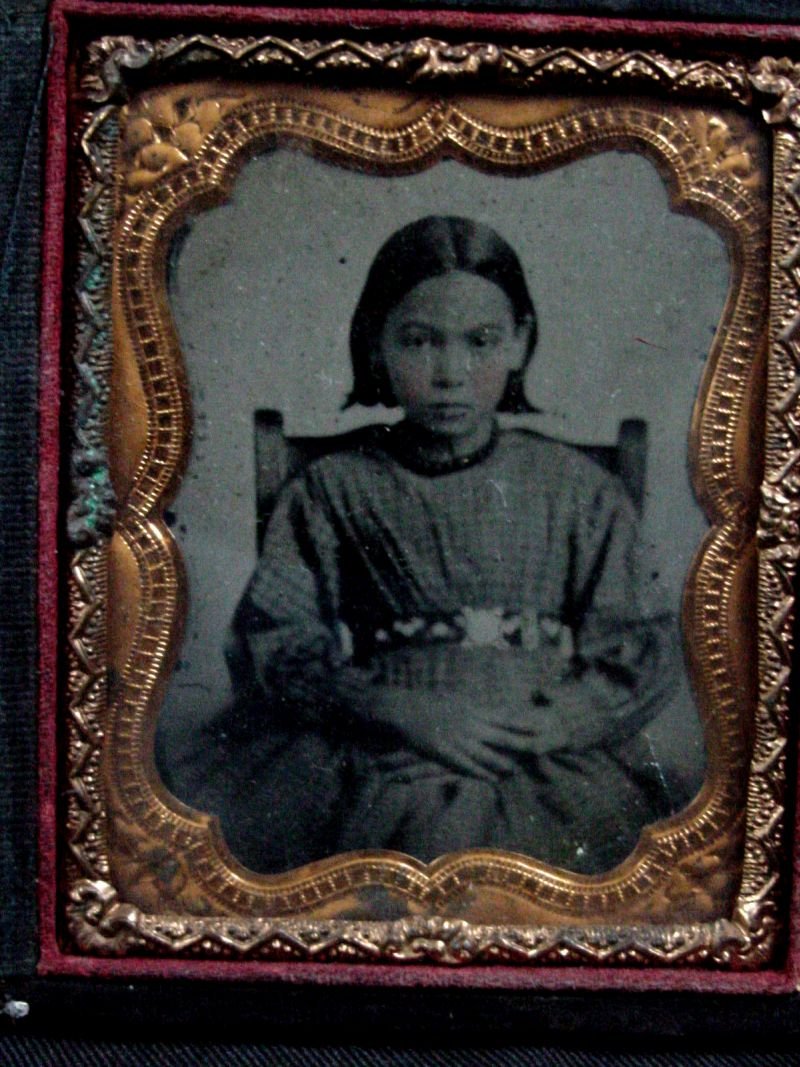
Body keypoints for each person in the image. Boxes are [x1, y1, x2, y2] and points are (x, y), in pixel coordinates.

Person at [172, 215, 687, 875]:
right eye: (419, 341)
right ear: (376, 344)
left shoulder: (580, 491)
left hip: (537, 740)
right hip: (372, 737)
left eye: (481, 342)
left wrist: (549, 724)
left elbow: (641, 642)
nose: (451, 373)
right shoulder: (332, 488)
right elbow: (275, 637)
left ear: (521, 344)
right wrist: (396, 709)